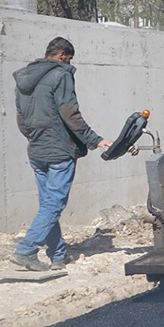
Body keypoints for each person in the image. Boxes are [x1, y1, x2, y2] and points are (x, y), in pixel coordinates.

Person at [11, 37, 112, 271]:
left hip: (36, 149)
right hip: (59, 150)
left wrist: (35, 137)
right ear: (61, 55)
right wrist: (96, 140)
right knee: (53, 204)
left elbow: (21, 118)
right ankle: (26, 250)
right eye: (69, 59)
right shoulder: (61, 75)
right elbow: (70, 114)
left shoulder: (24, 78)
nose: (69, 63)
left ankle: (58, 256)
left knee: (48, 204)